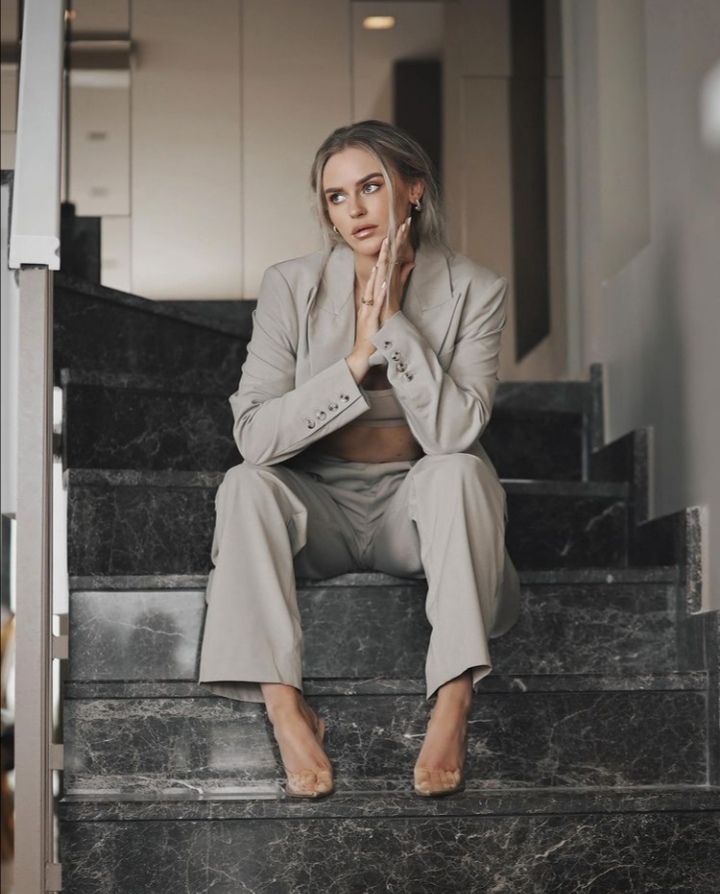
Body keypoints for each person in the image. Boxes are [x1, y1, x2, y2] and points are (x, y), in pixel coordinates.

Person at [198, 120, 520, 799]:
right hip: (320, 510)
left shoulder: (476, 289)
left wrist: (395, 324)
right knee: (245, 484)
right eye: (337, 196)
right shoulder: (291, 285)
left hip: (417, 511)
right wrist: (354, 360)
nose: (355, 209)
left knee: (460, 471)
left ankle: (454, 700)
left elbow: (455, 431)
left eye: (371, 187)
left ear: (414, 189)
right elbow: (254, 435)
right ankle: (286, 709)